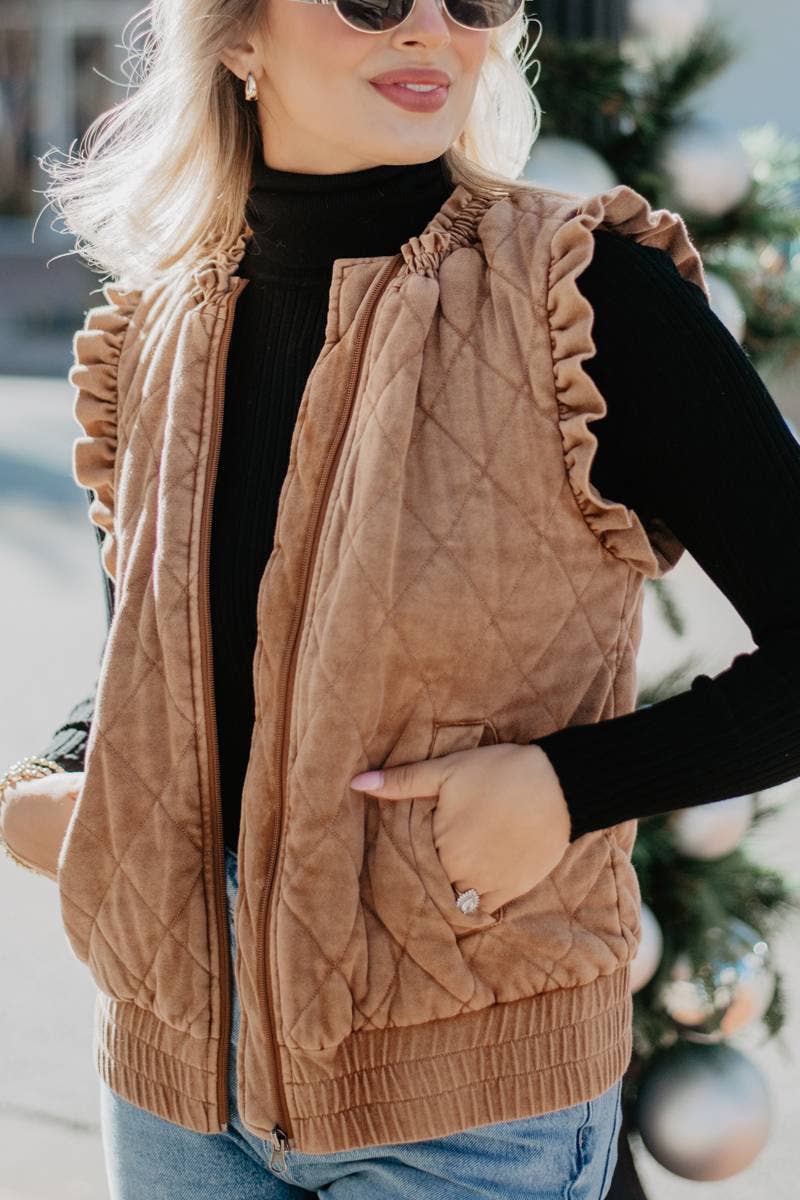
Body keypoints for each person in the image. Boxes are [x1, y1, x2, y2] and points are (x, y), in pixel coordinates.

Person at [2, 0, 800, 1196]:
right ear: (235, 36)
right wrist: (65, 775)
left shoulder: (582, 294)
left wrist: (569, 785)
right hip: (171, 1070)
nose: (430, 29)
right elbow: (159, 644)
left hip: (470, 1106)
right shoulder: (161, 318)